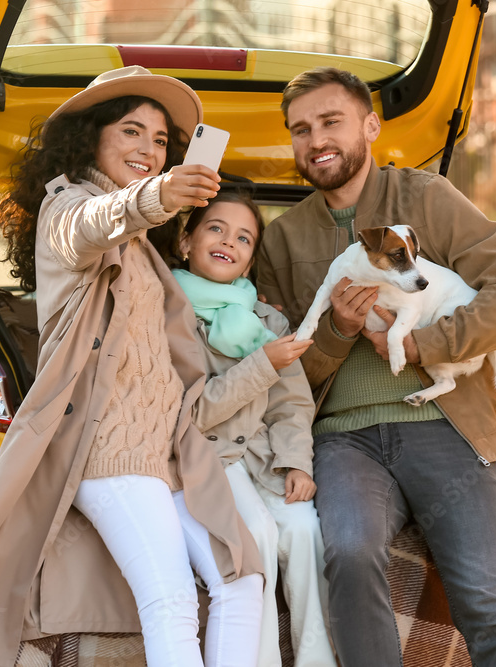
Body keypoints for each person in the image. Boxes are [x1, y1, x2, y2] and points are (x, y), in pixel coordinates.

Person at [0, 66, 264, 667]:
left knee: (242, 579)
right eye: (132, 132)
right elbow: (92, 224)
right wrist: (154, 198)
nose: (148, 149)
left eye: (159, 141)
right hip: (108, 450)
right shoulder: (67, 209)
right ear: (92, 139)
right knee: (174, 601)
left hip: (171, 452)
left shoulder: (143, 246)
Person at [255, 67, 496, 667]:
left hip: (449, 427)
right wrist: (336, 332)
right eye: (301, 129)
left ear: (370, 124)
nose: (316, 140)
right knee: (348, 554)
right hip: (343, 443)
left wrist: (424, 346)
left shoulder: (425, 199)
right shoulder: (282, 240)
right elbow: (280, 380)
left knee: (491, 602)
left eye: (331, 121)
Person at [153, 191, 338, 667]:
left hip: (260, 457)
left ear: (251, 259)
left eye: (244, 238)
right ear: (186, 239)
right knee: (254, 537)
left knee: (305, 530)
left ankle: (316, 660)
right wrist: (260, 364)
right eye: (215, 228)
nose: (228, 242)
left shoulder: (267, 321)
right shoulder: (167, 316)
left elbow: (291, 404)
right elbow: (186, 416)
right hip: (206, 458)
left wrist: (296, 461)